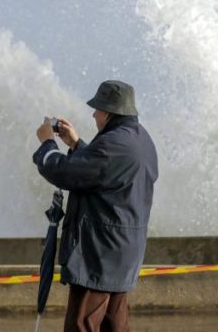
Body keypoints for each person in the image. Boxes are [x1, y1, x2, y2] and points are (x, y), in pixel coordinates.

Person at [33, 80, 158, 332]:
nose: (93, 113)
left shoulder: (112, 145)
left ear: (109, 112)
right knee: (115, 325)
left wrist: (47, 143)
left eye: (97, 109)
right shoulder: (141, 139)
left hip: (99, 254)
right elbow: (105, 171)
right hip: (123, 255)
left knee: (82, 325)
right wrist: (77, 145)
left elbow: (62, 172)